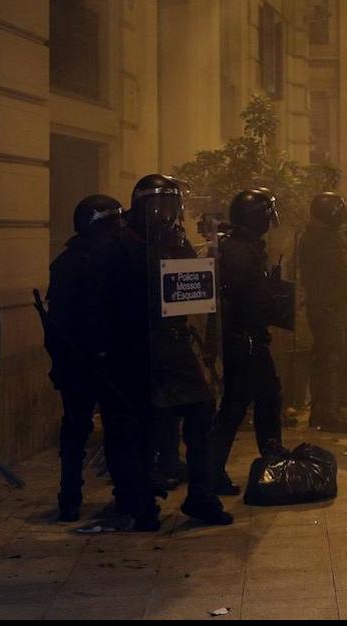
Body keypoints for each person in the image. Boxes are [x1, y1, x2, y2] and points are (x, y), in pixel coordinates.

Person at [101, 174, 232, 526]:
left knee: (202, 413)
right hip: (135, 348)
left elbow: (193, 285)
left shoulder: (175, 240)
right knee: (143, 427)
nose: (165, 214)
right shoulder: (121, 244)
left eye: (172, 206)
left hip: (173, 344)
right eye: (159, 205)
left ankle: (201, 498)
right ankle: (141, 504)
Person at [42, 194, 125, 522]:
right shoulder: (109, 260)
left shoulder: (65, 261)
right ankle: (121, 493)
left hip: (78, 362)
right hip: (98, 361)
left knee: (76, 429)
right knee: (116, 428)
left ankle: (70, 498)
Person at [209, 189, 292, 494]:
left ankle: (268, 461)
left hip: (247, 337)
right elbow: (246, 297)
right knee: (243, 404)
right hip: (245, 339)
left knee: (258, 400)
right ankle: (263, 464)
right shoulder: (239, 251)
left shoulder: (243, 247)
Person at [297, 192, 347, 433]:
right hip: (328, 307)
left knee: (324, 358)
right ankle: (328, 413)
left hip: (324, 305)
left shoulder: (315, 236)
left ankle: (321, 411)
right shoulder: (322, 239)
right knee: (330, 359)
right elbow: (332, 276)